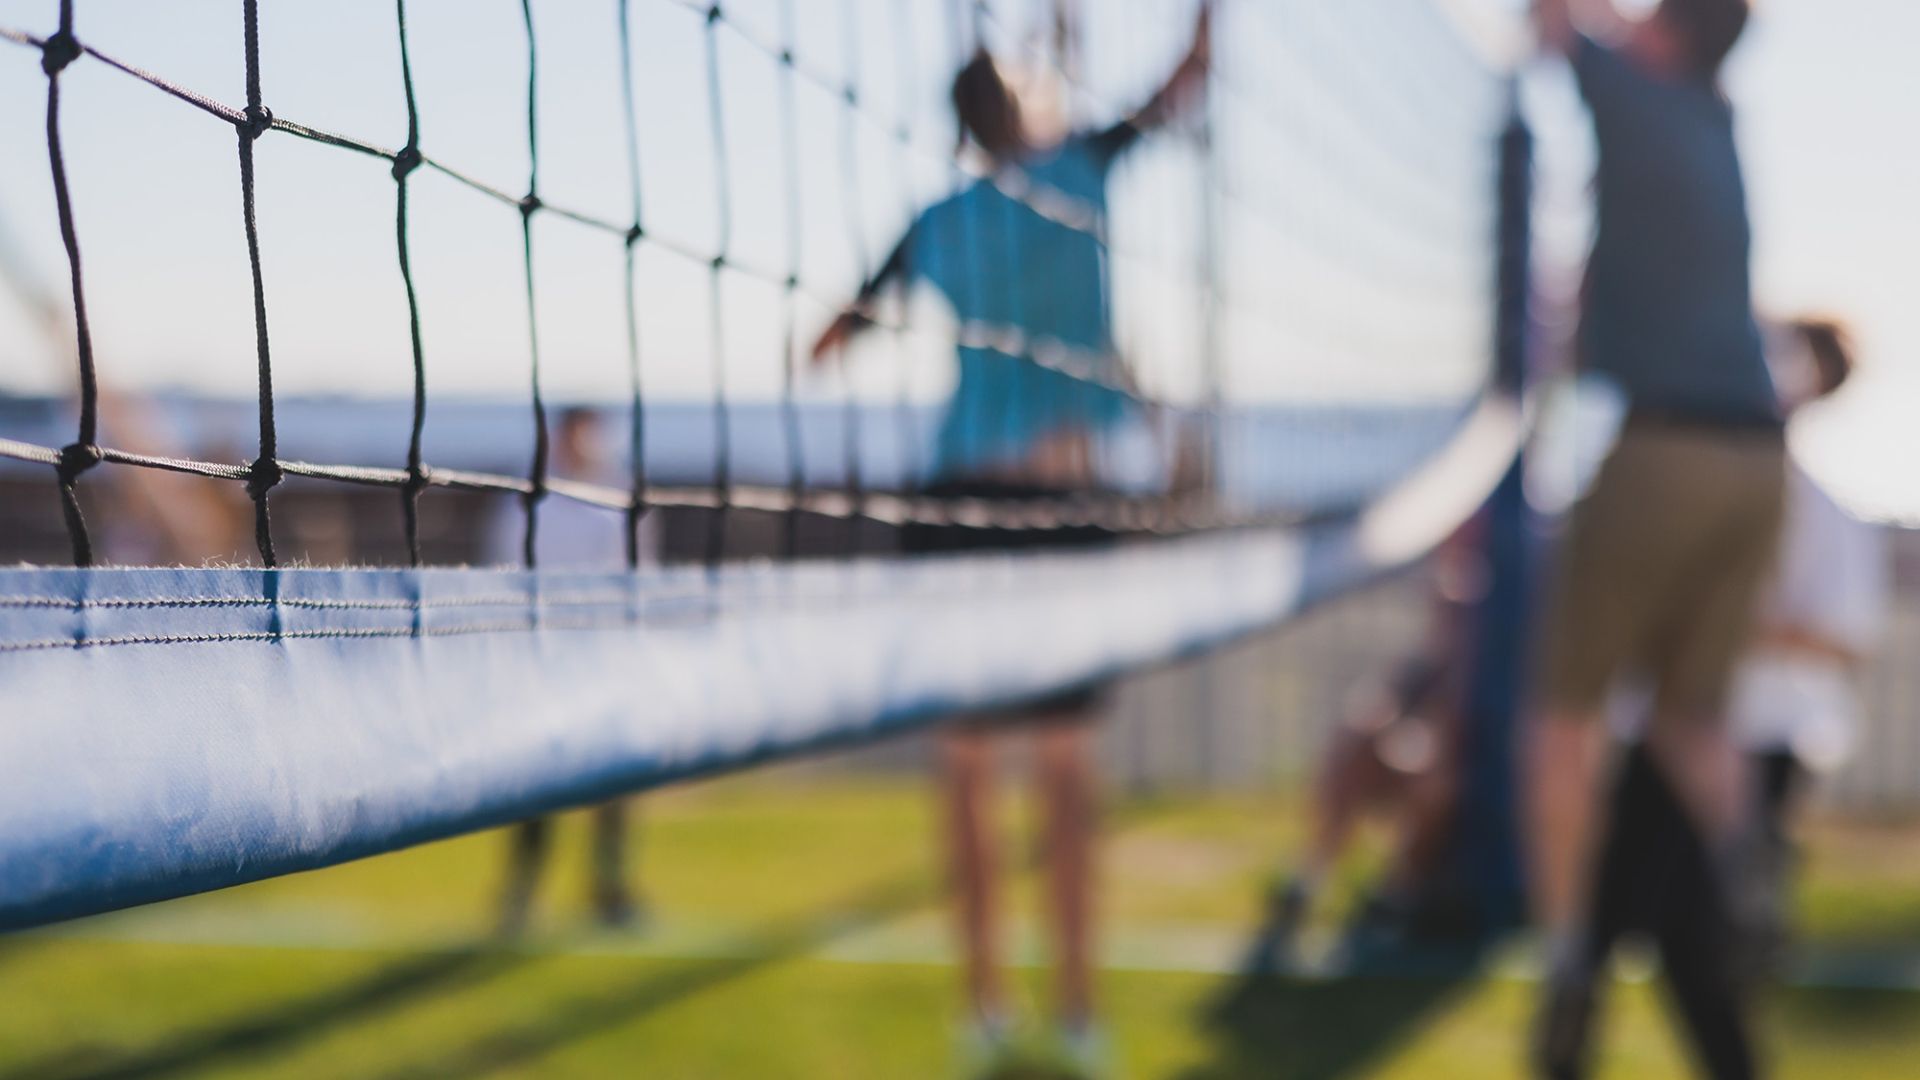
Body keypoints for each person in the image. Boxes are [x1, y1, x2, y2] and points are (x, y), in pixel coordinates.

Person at [811, 10, 1210, 1077]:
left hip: (957, 510)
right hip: (1057, 511)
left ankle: (986, 1014)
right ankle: (1075, 1020)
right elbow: (1190, 73)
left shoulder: (940, 219)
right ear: (1022, 106)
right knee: (1066, 779)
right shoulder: (1080, 169)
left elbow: (829, 341)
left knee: (971, 775)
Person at [1527, 2, 1787, 1077]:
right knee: (1691, 713)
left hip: (1667, 446)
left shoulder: (1644, 95)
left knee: (1562, 715)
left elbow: (1553, 18)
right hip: (1758, 459)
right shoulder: (1717, 120)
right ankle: (1748, 866)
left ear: (1668, 29)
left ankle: (1566, 961)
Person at [1575, 319, 1888, 1074]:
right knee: (1600, 916)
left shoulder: (1820, 507)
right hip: (1661, 731)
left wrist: (1726, 628)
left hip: (1759, 739)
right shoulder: (1667, 488)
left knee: (1695, 934)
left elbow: (1846, 638)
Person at [1243, 519, 1486, 971]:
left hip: (1453, 778)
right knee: (1353, 743)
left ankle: (1395, 898)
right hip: (1408, 757)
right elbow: (1385, 706)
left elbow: (1452, 736)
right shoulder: (1424, 667)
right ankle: (1310, 879)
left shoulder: (1489, 673)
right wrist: (1376, 729)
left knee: (1435, 781)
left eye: (1458, 610)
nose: (1446, 617)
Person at [491, 406, 659, 936]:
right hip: (540, 660)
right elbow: (501, 576)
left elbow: (640, 579)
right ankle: (521, 895)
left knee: (613, 786)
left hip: (604, 661)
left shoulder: (619, 499)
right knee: (534, 783)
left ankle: (610, 892)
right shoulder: (525, 500)